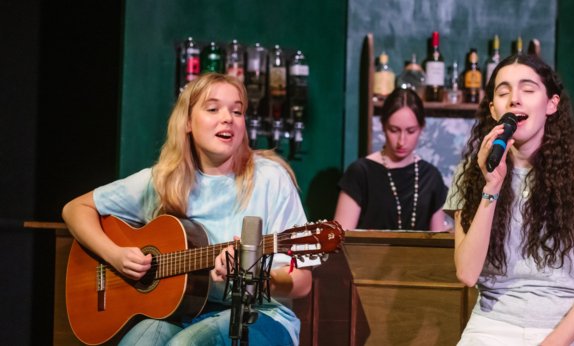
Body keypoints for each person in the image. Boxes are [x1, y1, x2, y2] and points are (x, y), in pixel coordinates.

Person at [62, 73, 311, 345]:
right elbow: (76, 208)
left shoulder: (270, 179)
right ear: (188, 122)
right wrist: (116, 255)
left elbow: (303, 282)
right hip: (187, 312)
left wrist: (251, 278)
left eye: (237, 111)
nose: (227, 117)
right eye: (213, 108)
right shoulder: (163, 180)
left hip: (262, 316)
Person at [445, 54, 574, 345]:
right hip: (492, 323)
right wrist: (492, 185)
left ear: (551, 104)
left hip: (567, 326)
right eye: (503, 92)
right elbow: (466, 273)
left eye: (527, 90)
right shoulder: (470, 172)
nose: (514, 99)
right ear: (493, 109)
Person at [334, 87, 448, 231]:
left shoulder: (431, 176)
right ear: (383, 126)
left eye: (410, 131)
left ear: (421, 128)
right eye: (394, 130)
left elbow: (438, 242)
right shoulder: (361, 173)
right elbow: (340, 237)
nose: (401, 141)